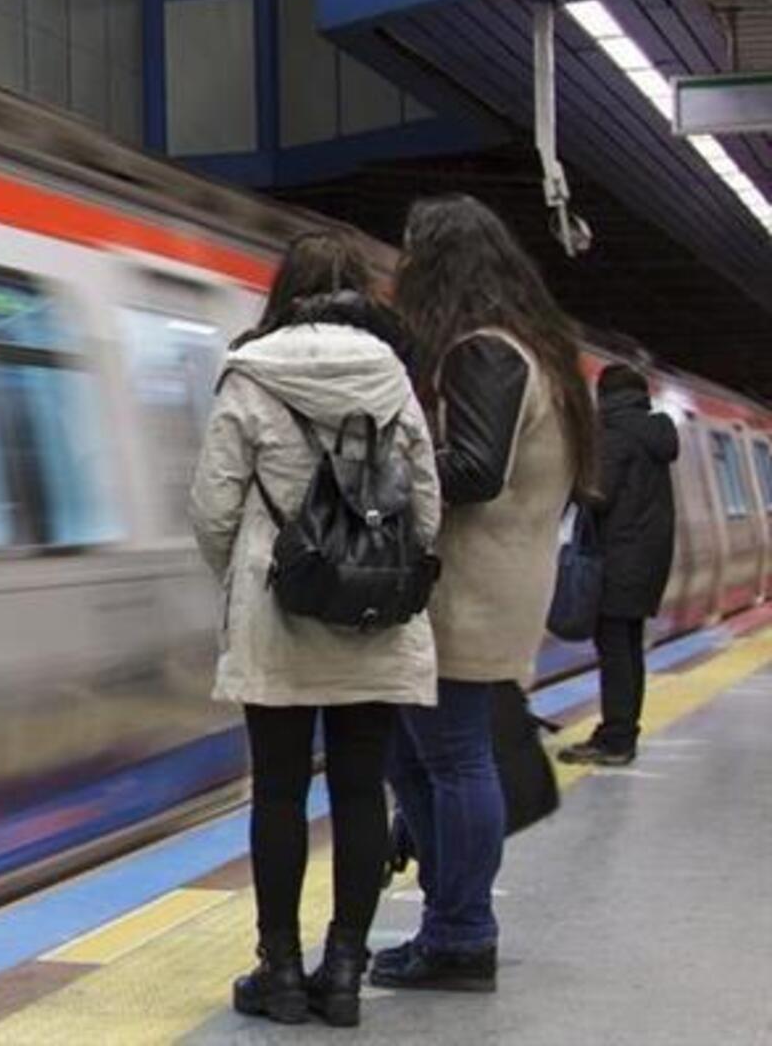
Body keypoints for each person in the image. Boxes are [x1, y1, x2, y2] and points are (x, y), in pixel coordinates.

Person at [188, 230, 441, 1028]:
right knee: (362, 789)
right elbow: (428, 510)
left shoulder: (251, 375)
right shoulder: (393, 378)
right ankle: (343, 973)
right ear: (362, 293)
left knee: (281, 791)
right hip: (372, 618)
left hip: (277, 614)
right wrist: (380, 566)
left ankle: (283, 974)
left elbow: (213, 508)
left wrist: (254, 571)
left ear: (284, 291)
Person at [374, 195, 597, 994]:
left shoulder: (484, 353)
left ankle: (463, 933)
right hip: (497, 582)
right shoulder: (536, 350)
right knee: (419, 755)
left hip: (469, 590)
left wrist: (387, 470)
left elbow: (472, 470)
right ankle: (449, 920)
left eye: (411, 255)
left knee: (452, 758)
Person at [558, 364, 678, 767]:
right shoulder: (652, 433)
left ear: (603, 395)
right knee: (627, 649)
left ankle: (616, 740)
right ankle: (622, 731)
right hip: (645, 561)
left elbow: (597, 494)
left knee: (615, 652)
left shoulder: (615, 434)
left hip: (617, 560)